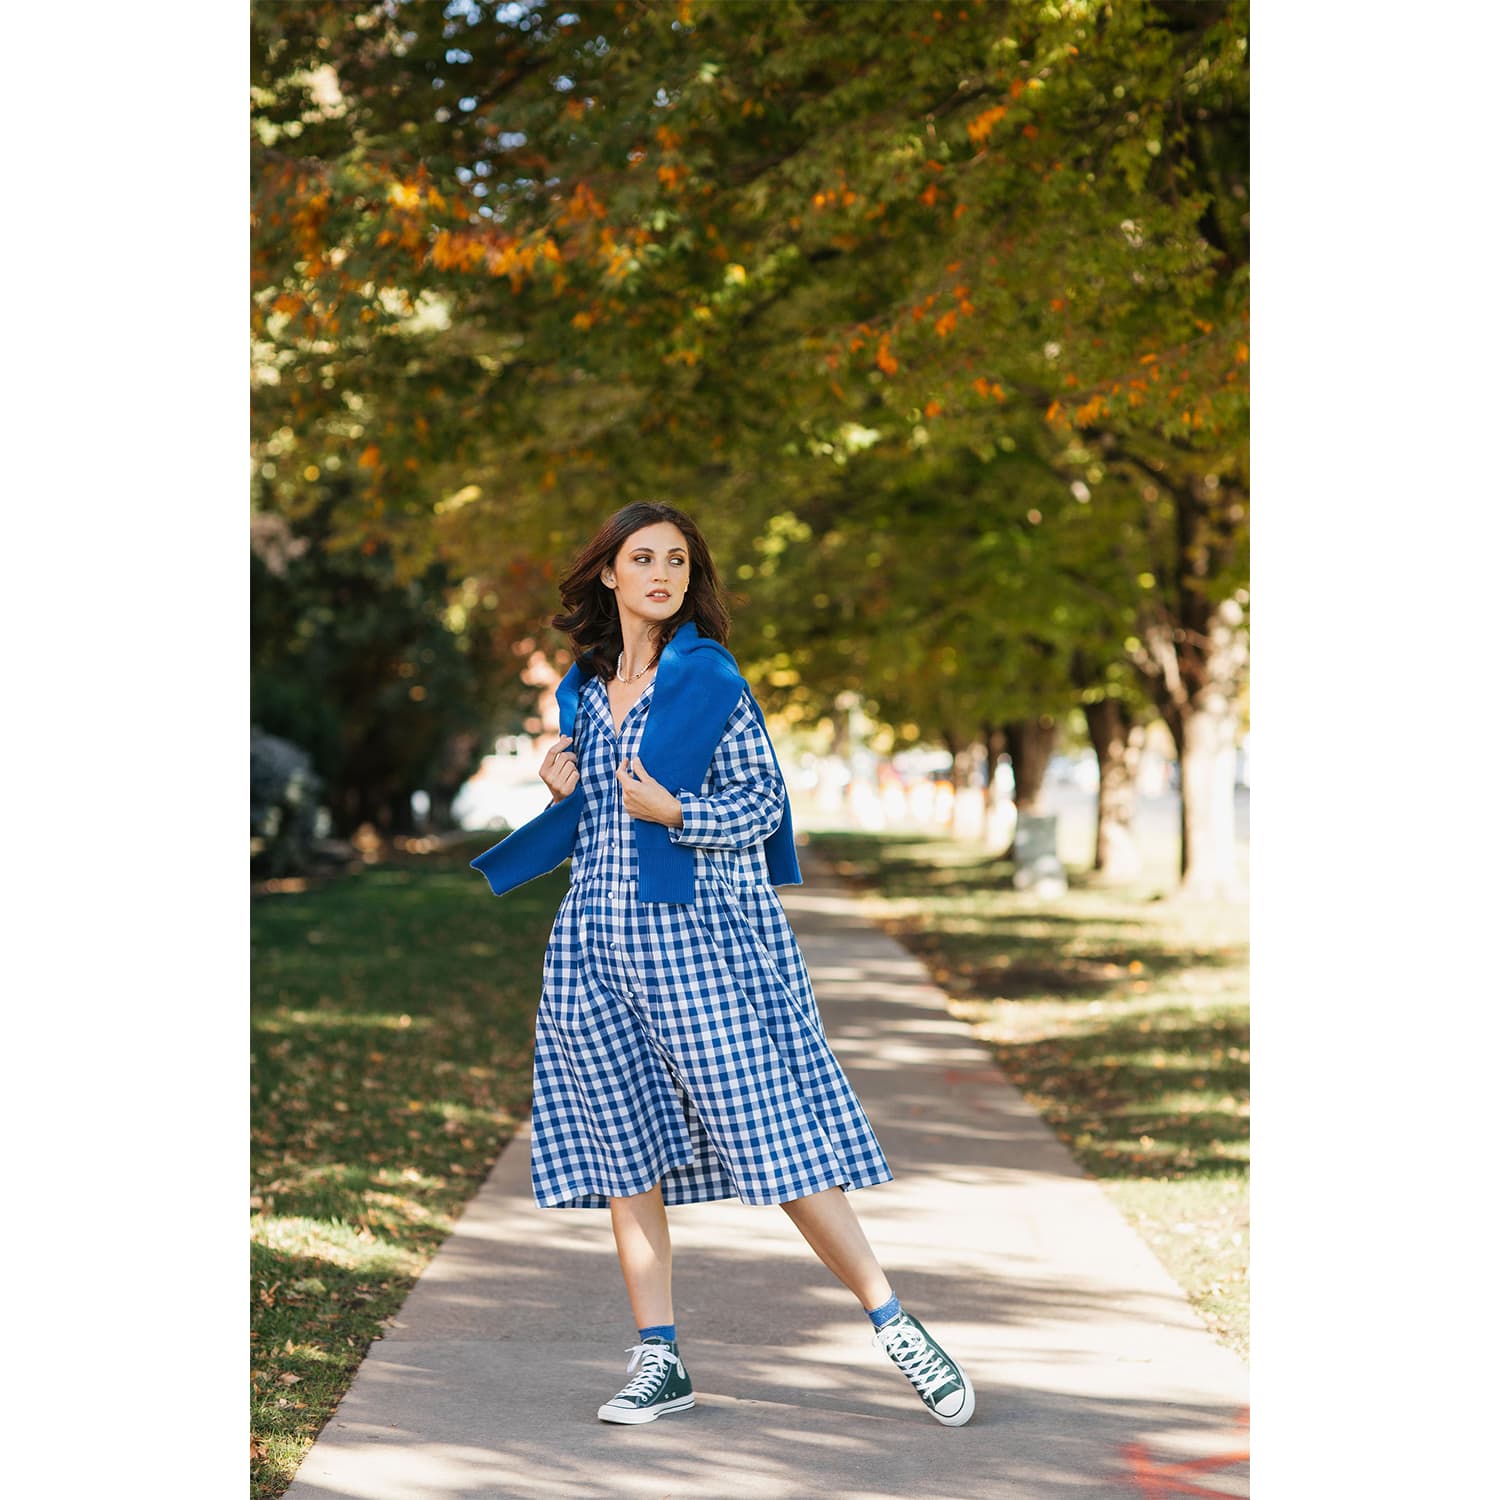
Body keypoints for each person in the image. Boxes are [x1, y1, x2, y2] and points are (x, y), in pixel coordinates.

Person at [469, 502, 975, 1428]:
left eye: (676, 560)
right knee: (626, 1151)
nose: (660, 574)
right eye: (641, 558)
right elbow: (597, 823)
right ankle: (658, 1358)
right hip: (593, 945)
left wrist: (678, 814)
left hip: (697, 945)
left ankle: (894, 1321)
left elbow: (764, 807)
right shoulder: (583, 689)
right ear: (609, 575)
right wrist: (563, 790)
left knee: (769, 1136)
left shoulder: (708, 681)